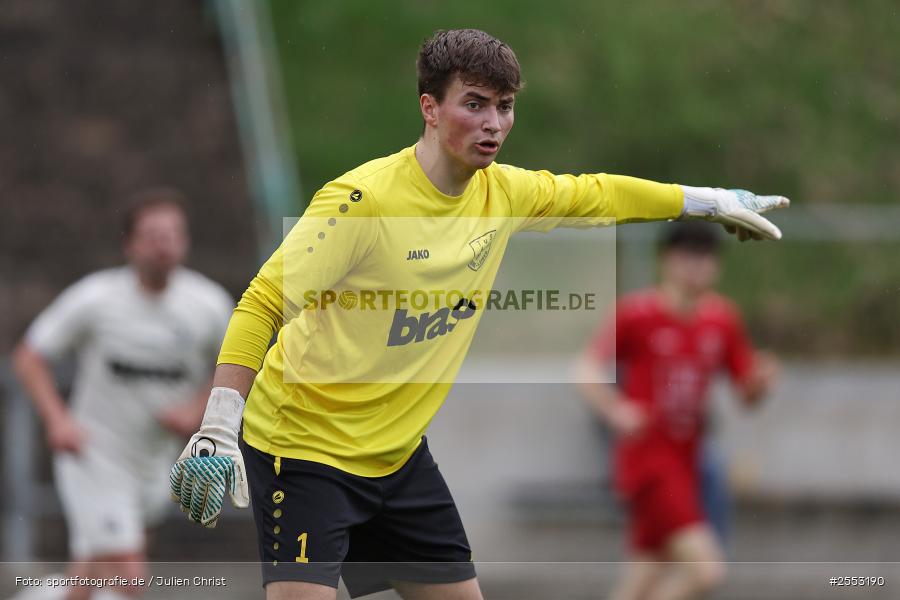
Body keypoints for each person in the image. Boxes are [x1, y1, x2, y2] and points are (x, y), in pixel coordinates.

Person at [169, 29, 788, 600]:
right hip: (303, 452)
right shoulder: (363, 201)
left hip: (398, 458)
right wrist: (220, 425)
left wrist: (709, 201)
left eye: (505, 106)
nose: (494, 123)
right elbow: (263, 302)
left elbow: (599, 194)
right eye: (474, 104)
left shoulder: (505, 193)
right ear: (430, 109)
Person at [12, 189, 234, 600]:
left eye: (172, 233)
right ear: (130, 244)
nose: (163, 243)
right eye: (152, 234)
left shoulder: (208, 304)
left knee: (90, 578)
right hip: (94, 454)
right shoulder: (96, 297)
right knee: (129, 577)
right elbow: (29, 357)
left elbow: (239, 366)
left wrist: (197, 408)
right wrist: (58, 420)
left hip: (152, 460)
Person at [575, 221, 779, 600]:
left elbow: (746, 394)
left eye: (705, 258)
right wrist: (616, 409)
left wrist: (760, 384)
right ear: (666, 260)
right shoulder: (637, 313)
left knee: (641, 580)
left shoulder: (722, 319)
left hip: (688, 460)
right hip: (648, 461)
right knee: (706, 571)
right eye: (687, 256)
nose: (696, 267)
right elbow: (585, 370)